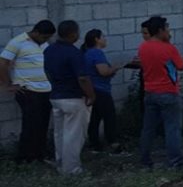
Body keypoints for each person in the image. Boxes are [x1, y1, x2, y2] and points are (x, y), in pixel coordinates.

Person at [43, 21, 96, 175]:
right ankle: (72, 169)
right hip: (73, 98)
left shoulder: (49, 50)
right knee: (73, 135)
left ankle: (61, 163)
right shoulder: (74, 53)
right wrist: (91, 95)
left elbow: (47, 72)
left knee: (59, 133)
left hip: (56, 96)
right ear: (73, 34)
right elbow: (83, 78)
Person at [1, 20, 56, 164]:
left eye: (48, 38)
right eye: (44, 37)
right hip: (28, 91)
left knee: (43, 124)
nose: (45, 40)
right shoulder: (17, 42)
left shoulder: (44, 44)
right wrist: (8, 84)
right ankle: (25, 157)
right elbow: (3, 63)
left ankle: (39, 154)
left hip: (46, 90)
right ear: (36, 32)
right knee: (30, 125)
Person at [138, 16, 183, 169]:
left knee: (148, 129)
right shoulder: (168, 48)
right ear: (160, 30)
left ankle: (145, 160)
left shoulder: (143, 47)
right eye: (167, 29)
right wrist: (168, 43)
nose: (169, 32)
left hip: (149, 92)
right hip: (168, 92)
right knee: (172, 128)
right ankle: (175, 162)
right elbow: (181, 65)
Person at [83, 29, 125, 152]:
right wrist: (116, 67)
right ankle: (113, 144)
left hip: (93, 89)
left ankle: (94, 144)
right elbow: (103, 72)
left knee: (95, 118)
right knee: (109, 117)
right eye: (103, 37)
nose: (105, 39)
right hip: (101, 90)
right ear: (97, 39)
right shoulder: (97, 53)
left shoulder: (87, 53)